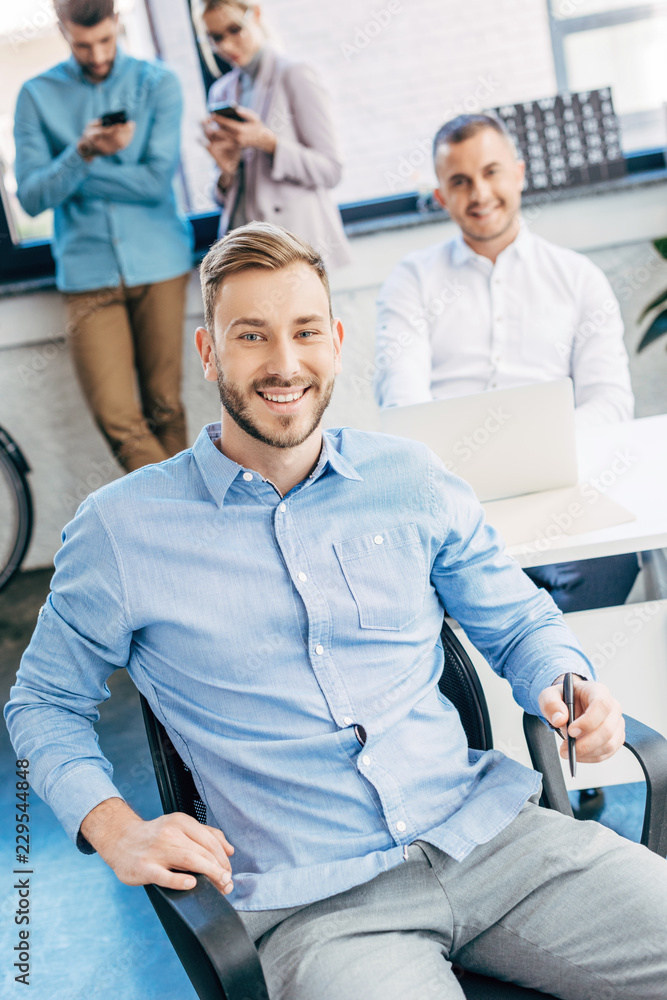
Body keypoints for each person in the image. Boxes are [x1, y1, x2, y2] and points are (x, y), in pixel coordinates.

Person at [6, 222, 666, 1000]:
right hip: (317, 907)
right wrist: (114, 826)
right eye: (250, 336)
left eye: (305, 331)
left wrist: (565, 678)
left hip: (495, 841)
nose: (284, 364)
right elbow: (42, 703)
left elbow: (518, 620)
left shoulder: (410, 478)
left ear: (336, 341)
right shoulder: (122, 530)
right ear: (208, 353)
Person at [374, 113, 638, 613]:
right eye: (460, 181)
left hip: (565, 492)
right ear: (441, 197)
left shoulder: (579, 278)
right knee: (427, 584)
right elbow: (402, 403)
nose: (479, 193)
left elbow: (612, 402)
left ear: (518, 173)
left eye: (491, 172)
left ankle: (572, 687)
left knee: (613, 562)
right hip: (454, 503)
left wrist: (538, 452)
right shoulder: (412, 281)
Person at [14, 0, 193, 472]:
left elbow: (155, 183)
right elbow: (31, 197)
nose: (96, 55)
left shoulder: (158, 83)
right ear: (61, 29)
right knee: (117, 418)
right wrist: (83, 152)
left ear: (117, 21)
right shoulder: (36, 94)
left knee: (166, 407)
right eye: (82, 44)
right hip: (88, 275)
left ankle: (195, 536)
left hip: (160, 265)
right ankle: (187, 523)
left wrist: (70, 178)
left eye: (105, 41)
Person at [200, 0, 351, 269]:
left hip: (295, 244)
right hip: (245, 244)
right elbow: (227, 197)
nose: (225, 46)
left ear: (256, 14)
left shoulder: (295, 74)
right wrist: (227, 171)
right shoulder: (221, 92)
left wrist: (268, 143)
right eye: (216, 37)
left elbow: (331, 170)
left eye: (235, 29)